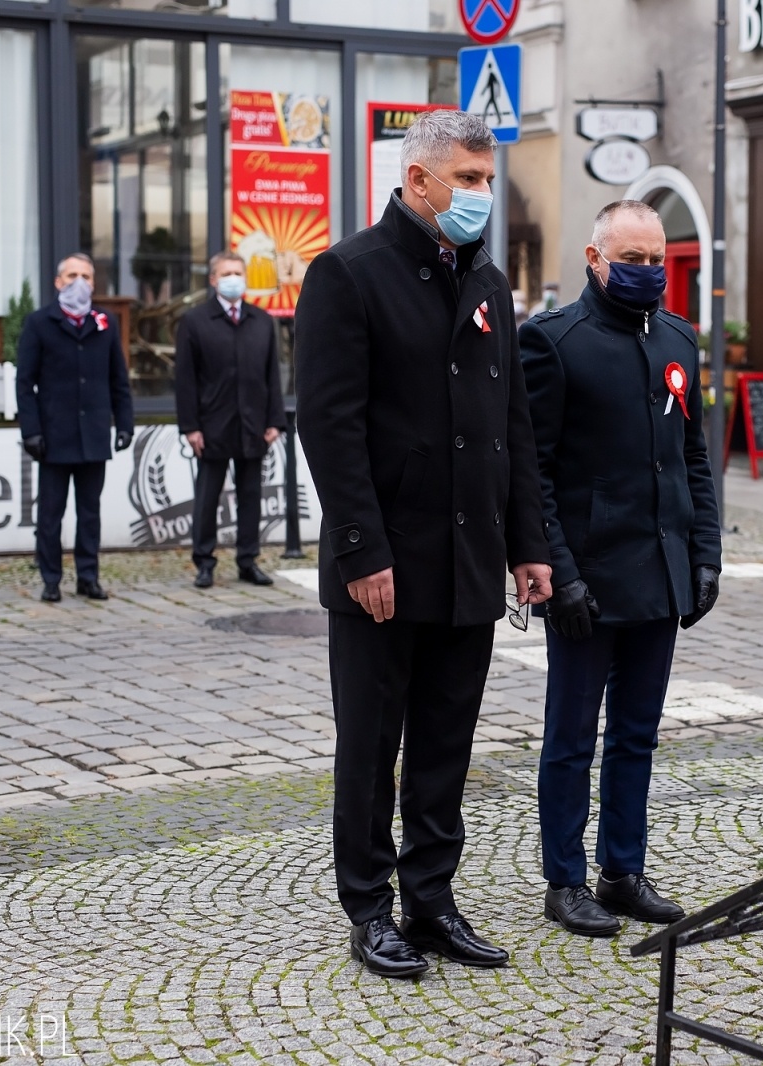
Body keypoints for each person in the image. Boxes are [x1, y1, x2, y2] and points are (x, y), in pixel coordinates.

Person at [294, 109, 552, 979]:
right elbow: (329, 427)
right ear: (419, 181)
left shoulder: (488, 281)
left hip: (470, 557)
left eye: (487, 179)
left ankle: (432, 899)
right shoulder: (348, 272)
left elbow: (512, 424)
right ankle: (370, 908)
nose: (482, 194)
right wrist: (361, 551)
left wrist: (529, 544)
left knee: (446, 743)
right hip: (386, 563)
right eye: (469, 180)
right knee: (372, 746)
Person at [519, 200, 722, 938]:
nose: (646, 271)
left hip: (660, 572)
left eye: (654, 259)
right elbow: (534, 473)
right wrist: (560, 573)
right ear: (595, 258)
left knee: (637, 734)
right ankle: (565, 879)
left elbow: (692, 455)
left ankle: (623, 871)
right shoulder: (553, 341)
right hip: (588, 580)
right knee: (571, 737)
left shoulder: (678, 338)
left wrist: (706, 554)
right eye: (631, 259)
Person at [16, 253, 135, 602]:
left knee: (90, 512)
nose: (78, 282)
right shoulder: (39, 322)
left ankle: (88, 576)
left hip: (93, 434)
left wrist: (124, 423)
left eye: (85, 276)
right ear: (58, 282)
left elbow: (118, 378)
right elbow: (25, 383)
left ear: (94, 283)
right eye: (71, 275)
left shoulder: (105, 322)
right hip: (54, 435)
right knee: (50, 513)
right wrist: (31, 430)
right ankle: (51, 578)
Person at [175, 252, 287, 589]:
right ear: (213, 280)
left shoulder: (262, 321)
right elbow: (185, 380)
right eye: (226, 273)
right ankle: (204, 561)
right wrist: (191, 427)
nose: (233, 279)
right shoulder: (195, 321)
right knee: (208, 497)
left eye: (238, 272)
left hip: (254, 424)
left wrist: (275, 420)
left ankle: (248, 560)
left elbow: (272, 375)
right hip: (212, 426)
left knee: (251, 496)